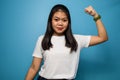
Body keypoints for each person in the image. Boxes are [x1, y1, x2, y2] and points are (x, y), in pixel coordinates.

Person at [25, 4, 108, 80]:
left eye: (64, 20)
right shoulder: (42, 39)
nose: (60, 23)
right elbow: (34, 68)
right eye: (56, 19)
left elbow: (103, 37)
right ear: (51, 21)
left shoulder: (77, 39)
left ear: (68, 22)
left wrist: (95, 15)